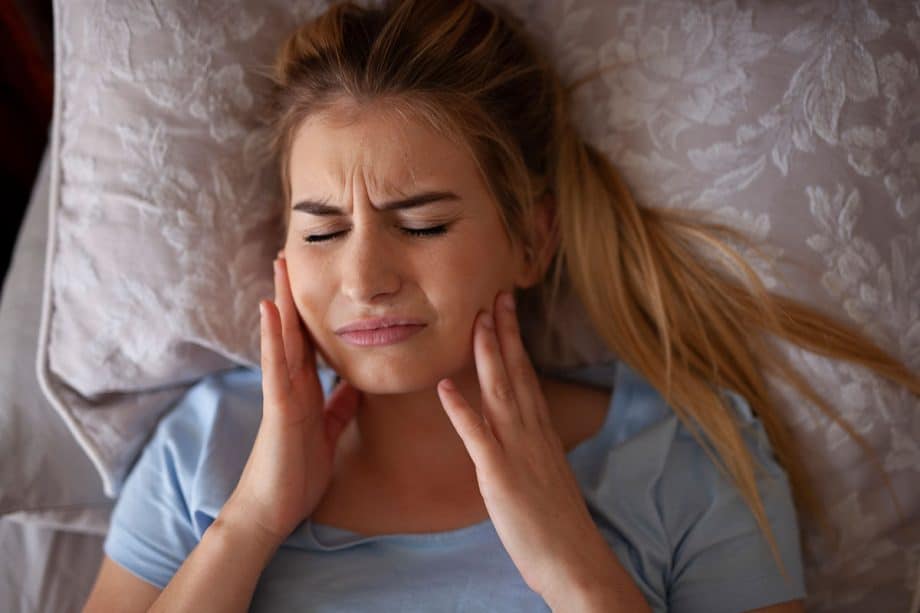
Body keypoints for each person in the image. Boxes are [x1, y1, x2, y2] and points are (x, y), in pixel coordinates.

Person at [82, 1, 920, 612]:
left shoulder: (684, 462)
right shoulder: (205, 452)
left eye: (424, 223)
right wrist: (251, 521)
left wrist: (573, 564)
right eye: (323, 231)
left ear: (532, 238)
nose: (366, 276)